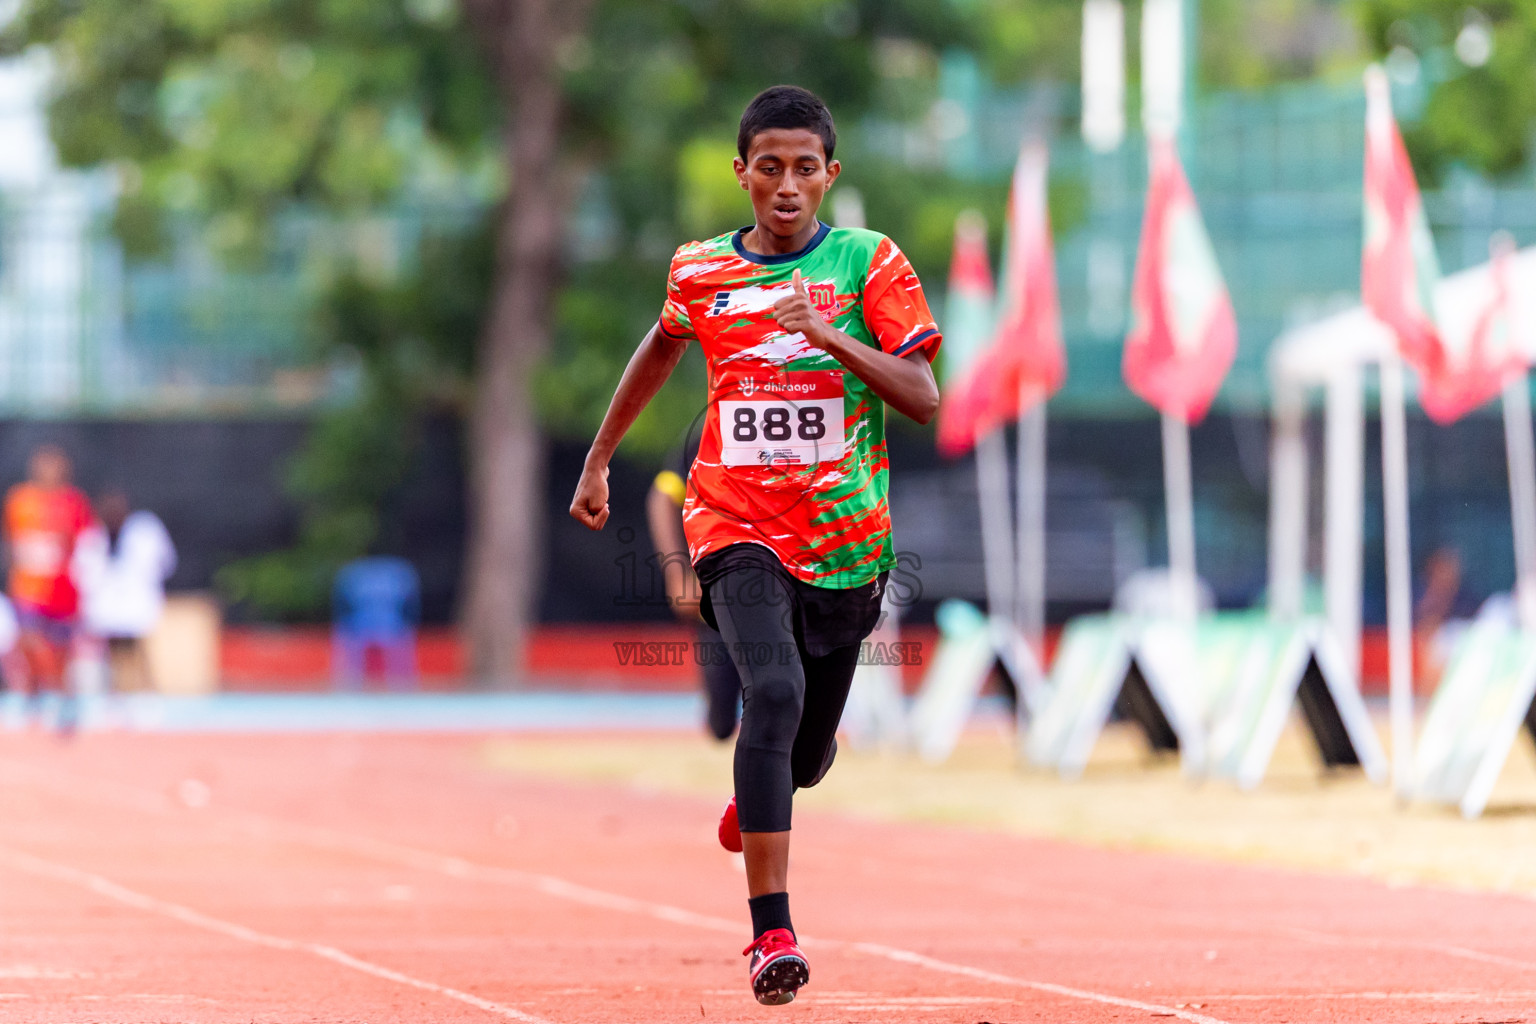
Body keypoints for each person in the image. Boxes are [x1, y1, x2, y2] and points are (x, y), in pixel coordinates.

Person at [570, 85, 942, 1005]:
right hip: (734, 523)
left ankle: (764, 787)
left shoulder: (869, 263)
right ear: (743, 174)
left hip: (849, 543)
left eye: (803, 169)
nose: (786, 185)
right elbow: (660, 348)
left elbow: (924, 393)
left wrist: (829, 336)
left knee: (803, 755)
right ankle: (770, 935)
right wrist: (599, 458)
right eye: (767, 167)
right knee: (768, 693)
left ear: (829, 177)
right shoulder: (700, 271)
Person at [646, 435, 742, 741]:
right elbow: (662, 497)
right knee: (721, 724)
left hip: (779, 586)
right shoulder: (707, 435)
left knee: (775, 695)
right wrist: (676, 573)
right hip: (718, 594)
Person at [3, 446, 94, 729]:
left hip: (62, 591)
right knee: (29, 641)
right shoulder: (20, 500)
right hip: (28, 589)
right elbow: (11, 539)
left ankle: (65, 700)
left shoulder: (74, 503)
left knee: (62, 650)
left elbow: (85, 544)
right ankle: (36, 692)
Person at [71, 490, 177, 691]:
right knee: (111, 654)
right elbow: (81, 573)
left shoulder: (145, 532)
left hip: (136, 604)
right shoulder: (93, 537)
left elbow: (165, 563)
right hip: (107, 607)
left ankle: (148, 690)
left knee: (140, 649)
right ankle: (115, 692)